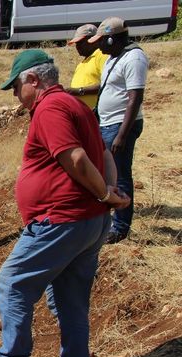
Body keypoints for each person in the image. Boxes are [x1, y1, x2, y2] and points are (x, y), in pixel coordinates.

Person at [0, 50, 129, 357]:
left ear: (33, 80)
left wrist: (105, 194)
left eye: (16, 87)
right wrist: (109, 191)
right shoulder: (78, 106)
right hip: (88, 220)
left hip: (62, 219)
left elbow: (74, 157)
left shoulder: (50, 107)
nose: (16, 95)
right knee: (69, 299)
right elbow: (102, 153)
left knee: (13, 282)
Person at [90, 16, 147, 244]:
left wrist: (122, 134)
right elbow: (107, 90)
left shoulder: (134, 58)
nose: (99, 45)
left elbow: (135, 98)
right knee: (107, 173)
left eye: (102, 40)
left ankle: (121, 227)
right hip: (107, 123)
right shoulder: (113, 58)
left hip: (120, 125)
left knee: (121, 175)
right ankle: (108, 219)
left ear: (112, 39)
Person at [65, 24, 107, 110]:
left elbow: (108, 84)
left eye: (80, 43)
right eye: (76, 44)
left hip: (98, 113)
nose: (77, 47)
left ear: (93, 40)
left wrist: (79, 91)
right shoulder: (82, 63)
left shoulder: (101, 55)